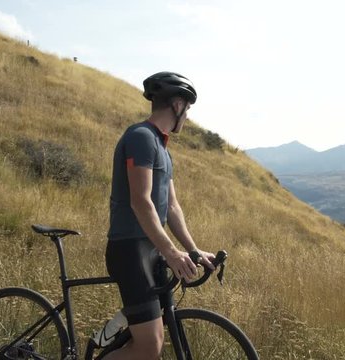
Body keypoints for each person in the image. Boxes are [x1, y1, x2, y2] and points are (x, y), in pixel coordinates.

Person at [104, 72, 215, 359]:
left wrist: (191, 251)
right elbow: (141, 202)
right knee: (149, 346)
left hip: (151, 249)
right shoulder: (141, 137)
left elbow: (173, 207)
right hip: (130, 248)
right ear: (177, 105)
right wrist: (171, 252)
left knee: (156, 338)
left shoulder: (163, 149)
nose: (188, 117)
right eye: (187, 109)